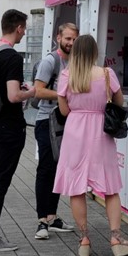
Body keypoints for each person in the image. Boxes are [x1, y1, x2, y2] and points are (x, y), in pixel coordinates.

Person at [54, 34, 128, 256]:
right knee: (110, 188)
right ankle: (116, 238)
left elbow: (63, 110)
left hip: (74, 133)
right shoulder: (107, 74)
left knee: (76, 188)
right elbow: (119, 102)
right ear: (94, 52)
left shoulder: (67, 75)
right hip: (101, 132)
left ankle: (84, 240)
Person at [0, 9, 36, 252]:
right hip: (9, 127)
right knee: (0, 181)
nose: (24, 33)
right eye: (24, 29)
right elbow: (13, 96)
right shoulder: (12, 57)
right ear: (19, 28)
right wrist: (31, 92)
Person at [32, 22, 78, 240]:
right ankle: (42, 221)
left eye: (74, 39)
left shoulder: (75, 62)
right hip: (46, 121)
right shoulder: (50, 61)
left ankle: (52, 216)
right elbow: (38, 91)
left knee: (58, 169)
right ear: (58, 38)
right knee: (46, 169)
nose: (71, 43)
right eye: (68, 38)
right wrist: (63, 96)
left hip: (65, 121)